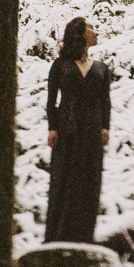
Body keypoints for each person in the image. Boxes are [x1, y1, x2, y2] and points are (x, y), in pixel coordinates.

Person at [44, 15, 112, 244]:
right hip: (67, 129)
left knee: (89, 180)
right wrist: (52, 128)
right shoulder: (60, 65)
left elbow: (105, 101)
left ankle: (84, 236)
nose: (96, 32)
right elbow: (51, 100)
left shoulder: (102, 68)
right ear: (79, 33)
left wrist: (105, 127)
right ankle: (57, 235)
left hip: (92, 130)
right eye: (91, 28)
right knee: (63, 179)